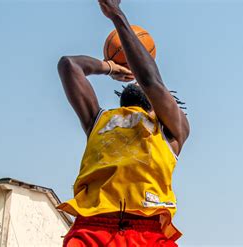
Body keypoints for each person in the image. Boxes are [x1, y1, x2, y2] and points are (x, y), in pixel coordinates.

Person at [57, 0, 190, 246]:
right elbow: (68, 65)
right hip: (92, 228)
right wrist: (108, 67)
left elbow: (151, 80)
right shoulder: (99, 120)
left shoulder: (170, 129)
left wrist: (116, 15)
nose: (136, 83)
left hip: (147, 231)